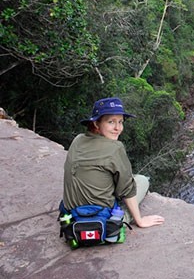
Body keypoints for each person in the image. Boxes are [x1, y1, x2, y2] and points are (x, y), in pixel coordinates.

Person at [63, 97, 164, 228]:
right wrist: (140, 220)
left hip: (71, 213)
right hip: (99, 217)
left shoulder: (78, 139)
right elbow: (127, 189)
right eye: (111, 122)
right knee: (142, 180)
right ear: (96, 124)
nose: (118, 128)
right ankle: (121, 220)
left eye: (121, 122)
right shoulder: (115, 148)